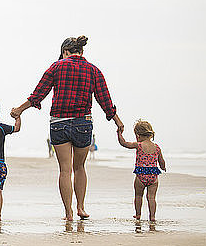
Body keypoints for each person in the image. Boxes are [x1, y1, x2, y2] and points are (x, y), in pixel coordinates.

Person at [11, 36, 124, 221]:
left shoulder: (56, 67)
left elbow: (38, 94)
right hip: (83, 124)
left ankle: (68, 213)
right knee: (79, 167)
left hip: (59, 123)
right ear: (81, 52)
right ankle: (81, 208)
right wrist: (118, 121)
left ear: (65, 52)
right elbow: (105, 100)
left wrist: (18, 110)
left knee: (65, 170)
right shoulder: (93, 70)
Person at [117, 120, 166, 221]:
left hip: (141, 174)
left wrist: (119, 133)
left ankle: (138, 214)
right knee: (151, 197)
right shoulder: (157, 147)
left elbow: (124, 143)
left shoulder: (138, 145)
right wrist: (163, 167)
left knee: (138, 195)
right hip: (153, 175)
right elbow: (161, 161)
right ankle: (152, 217)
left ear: (138, 135)